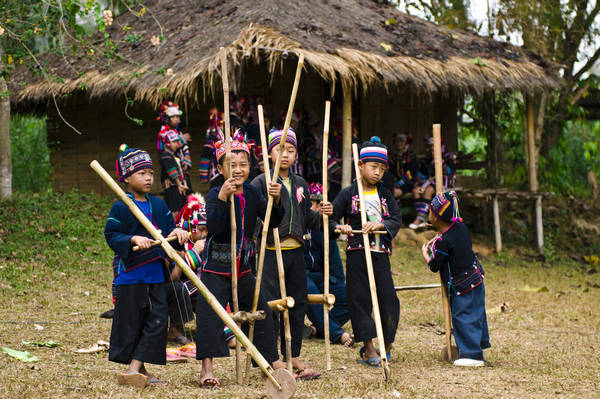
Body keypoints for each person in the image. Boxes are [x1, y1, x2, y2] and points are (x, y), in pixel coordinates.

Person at [195, 133, 287, 388]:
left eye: (243, 164)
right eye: (231, 165)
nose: (238, 170)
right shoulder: (215, 193)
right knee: (209, 313)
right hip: (216, 267)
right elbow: (213, 226)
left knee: (262, 311)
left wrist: (277, 199)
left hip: (243, 268)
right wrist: (224, 198)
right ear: (220, 167)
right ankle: (207, 367)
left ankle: (271, 360)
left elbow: (274, 221)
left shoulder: (254, 193)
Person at [104, 145, 189, 388]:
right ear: (127, 177)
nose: (149, 177)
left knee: (158, 321)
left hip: (155, 276)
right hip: (131, 277)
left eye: (151, 172)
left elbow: (169, 230)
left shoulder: (159, 205)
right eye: (142, 173)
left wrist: (177, 232)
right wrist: (132, 239)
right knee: (134, 324)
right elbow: (111, 234)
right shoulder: (122, 206)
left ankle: (133, 369)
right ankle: (140, 370)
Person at [251, 128, 333, 380]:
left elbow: (305, 217)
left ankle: (292, 353)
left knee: (298, 303)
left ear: (296, 154)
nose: (285, 155)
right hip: (269, 251)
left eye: (290, 150)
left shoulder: (300, 184)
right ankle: (272, 359)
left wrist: (322, 214)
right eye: (279, 149)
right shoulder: (261, 182)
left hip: (295, 251)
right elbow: (253, 219)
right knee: (270, 305)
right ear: (269, 154)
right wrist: (271, 201)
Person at [330, 137, 401, 368]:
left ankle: (387, 345)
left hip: (380, 254)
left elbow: (395, 220)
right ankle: (368, 347)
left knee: (388, 299)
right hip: (357, 254)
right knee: (359, 299)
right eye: (373, 167)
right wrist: (341, 227)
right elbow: (332, 219)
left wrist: (380, 225)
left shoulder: (385, 195)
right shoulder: (348, 194)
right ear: (360, 165)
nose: (378, 172)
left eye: (382, 168)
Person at [421, 191, 490, 367]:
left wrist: (427, 254)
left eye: (430, 210)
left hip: (462, 285)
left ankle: (472, 355)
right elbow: (452, 242)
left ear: (436, 217)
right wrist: (438, 241)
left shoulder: (444, 242)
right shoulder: (460, 228)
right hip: (476, 277)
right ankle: (477, 346)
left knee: (462, 316)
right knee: (476, 313)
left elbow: (435, 265)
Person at [303, 183, 353, 347]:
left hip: (320, 276)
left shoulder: (324, 227)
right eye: (310, 203)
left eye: (317, 204)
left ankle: (318, 329)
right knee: (308, 289)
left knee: (350, 297)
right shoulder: (297, 222)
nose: (314, 208)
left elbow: (334, 261)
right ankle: (337, 334)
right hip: (300, 274)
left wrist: (339, 283)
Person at [409, 136, 456, 229]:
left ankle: (419, 219)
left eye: (433, 145)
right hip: (430, 181)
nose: (431, 147)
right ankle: (423, 219)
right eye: (430, 145)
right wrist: (417, 181)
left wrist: (440, 161)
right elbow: (423, 173)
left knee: (428, 191)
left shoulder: (448, 156)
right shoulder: (429, 157)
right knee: (416, 191)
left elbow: (451, 172)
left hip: (444, 181)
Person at [159, 129, 191, 213]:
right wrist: (179, 184)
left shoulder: (175, 156)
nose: (177, 144)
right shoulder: (165, 156)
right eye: (174, 142)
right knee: (174, 212)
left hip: (179, 188)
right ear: (168, 143)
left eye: (177, 142)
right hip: (172, 189)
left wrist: (184, 184)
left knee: (182, 211)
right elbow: (172, 170)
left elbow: (182, 172)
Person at [156, 101, 192, 171]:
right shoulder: (163, 133)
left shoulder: (178, 132)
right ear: (167, 118)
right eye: (173, 117)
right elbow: (168, 146)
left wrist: (186, 161)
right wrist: (183, 139)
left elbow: (185, 147)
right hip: (170, 165)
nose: (176, 119)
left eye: (178, 117)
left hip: (181, 167)